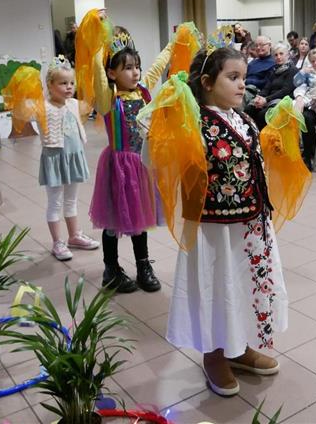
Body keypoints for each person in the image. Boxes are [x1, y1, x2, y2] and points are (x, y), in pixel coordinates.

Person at [163, 47, 289, 398]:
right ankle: (214, 353)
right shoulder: (193, 120)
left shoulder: (244, 118)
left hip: (249, 224)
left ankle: (239, 346)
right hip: (213, 228)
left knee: (246, 284)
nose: (241, 86)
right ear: (206, 82)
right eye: (232, 78)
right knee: (217, 285)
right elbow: (162, 157)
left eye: (243, 79)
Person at [90, 22, 173, 294]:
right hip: (118, 167)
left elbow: (157, 67)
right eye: (127, 67)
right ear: (112, 73)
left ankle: (143, 265)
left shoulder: (144, 91)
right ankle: (111, 269)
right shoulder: (107, 99)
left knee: (140, 218)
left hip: (141, 165)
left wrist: (174, 43)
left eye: (136, 65)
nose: (135, 71)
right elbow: (97, 73)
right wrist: (98, 41)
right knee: (113, 220)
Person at [2, 57, 100, 261]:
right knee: (55, 202)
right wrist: (26, 87)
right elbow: (20, 109)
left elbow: (93, 100)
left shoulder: (74, 104)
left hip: (74, 158)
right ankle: (58, 242)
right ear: (50, 85)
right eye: (63, 83)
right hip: (55, 160)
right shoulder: (41, 107)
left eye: (71, 83)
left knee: (72, 200)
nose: (69, 87)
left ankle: (74, 236)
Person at [246, 43, 297, 129]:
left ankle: (262, 139)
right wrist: (259, 97)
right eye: (276, 55)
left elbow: (286, 90)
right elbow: (267, 88)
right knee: (249, 109)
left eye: (281, 54)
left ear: (288, 55)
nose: (278, 57)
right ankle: (251, 137)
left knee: (262, 115)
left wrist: (266, 99)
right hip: (269, 100)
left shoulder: (292, 70)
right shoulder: (274, 70)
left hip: (283, 101)